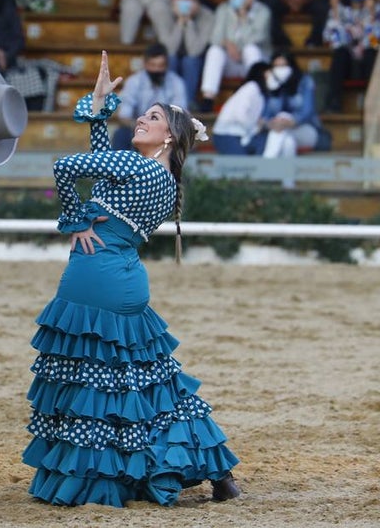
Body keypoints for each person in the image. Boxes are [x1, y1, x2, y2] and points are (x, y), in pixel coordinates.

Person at [23, 50, 241, 507]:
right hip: (124, 278)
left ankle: (104, 477)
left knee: (92, 385)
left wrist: (74, 222)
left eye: (154, 116)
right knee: (149, 380)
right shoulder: (162, 178)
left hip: (95, 273)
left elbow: (65, 168)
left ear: (169, 136)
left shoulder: (137, 166)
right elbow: (101, 166)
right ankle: (216, 471)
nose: (142, 117)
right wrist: (100, 111)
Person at [197, 0, 270, 113]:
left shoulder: (262, 11)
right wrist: (227, 43)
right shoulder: (223, 9)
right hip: (232, 62)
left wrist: (243, 17)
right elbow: (215, 38)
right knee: (215, 50)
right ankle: (208, 98)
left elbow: (255, 39)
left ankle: (257, 94)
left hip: (254, 64)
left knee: (250, 49)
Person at [322, 0, 380, 113]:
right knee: (340, 54)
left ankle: (373, 105)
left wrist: (372, 16)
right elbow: (333, 40)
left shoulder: (377, 10)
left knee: (371, 53)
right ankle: (334, 104)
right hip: (347, 64)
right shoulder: (339, 10)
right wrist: (336, 12)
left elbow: (375, 43)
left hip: (367, 63)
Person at [110, 43, 189, 150]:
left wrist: (159, 129)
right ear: (145, 64)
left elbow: (179, 114)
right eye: (153, 65)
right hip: (137, 128)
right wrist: (144, 127)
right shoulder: (134, 82)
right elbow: (124, 115)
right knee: (121, 134)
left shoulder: (176, 83)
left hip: (165, 130)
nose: (156, 70)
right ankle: (118, 166)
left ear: (166, 65)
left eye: (160, 66)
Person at [260, 49, 330, 161]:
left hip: (306, 129)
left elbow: (307, 112)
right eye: (277, 66)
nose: (280, 70)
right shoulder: (271, 85)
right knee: (288, 142)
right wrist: (272, 89)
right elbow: (265, 116)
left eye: (284, 66)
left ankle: (265, 168)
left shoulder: (305, 81)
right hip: (280, 131)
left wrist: (288, 122)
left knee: (283, 121)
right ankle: (287, 178)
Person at [164, 0, 215, 107]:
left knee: (190, 61)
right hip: (171, 58)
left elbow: (195, 50)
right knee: (171, 58)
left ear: (196, 1)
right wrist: (180, 22)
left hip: (197, 62)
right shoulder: (165, 13)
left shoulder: (207, 15)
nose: (184, 2)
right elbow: (169, 49)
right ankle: (168, 104)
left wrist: (189, 21)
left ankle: (185, 105)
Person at [211, 61, 269, 155]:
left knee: (263, 143)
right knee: (242, 165)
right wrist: (254, 126)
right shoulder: (251, 88)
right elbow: (240, 114)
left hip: (243, 133)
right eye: (269, 73)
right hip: (227, 134)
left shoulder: (260, 94)